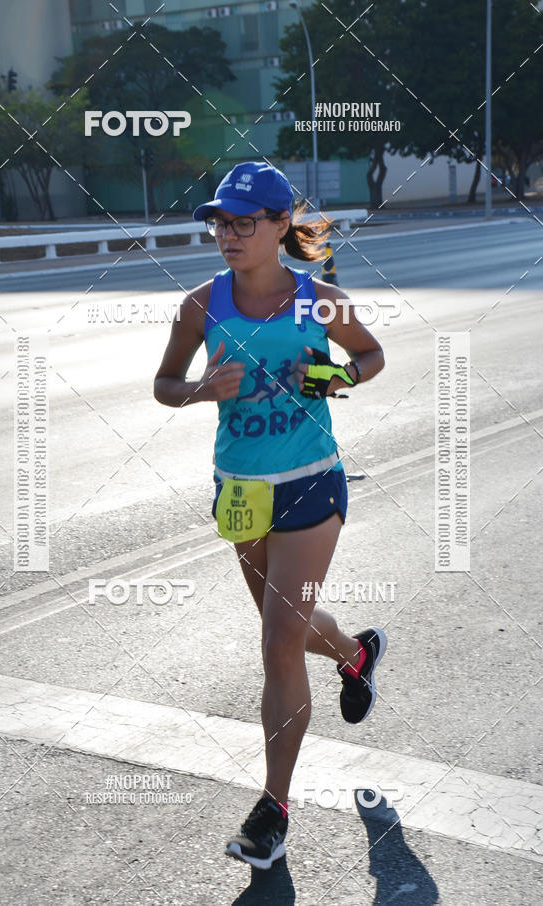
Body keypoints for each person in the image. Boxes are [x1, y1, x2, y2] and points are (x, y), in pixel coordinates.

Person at [154, 161, 387, 871]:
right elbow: (164, 385)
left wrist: (334, 375)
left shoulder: (319, 302)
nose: (228, 234)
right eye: (221, 222)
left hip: (312, 483)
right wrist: (199, 390)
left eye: (243, 222)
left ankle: (273, 809)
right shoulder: (200, 304)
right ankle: (355, 654)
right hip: (241, 490)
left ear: (281, 225)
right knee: (284, 628)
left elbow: (371, 356)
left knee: (278, 641)